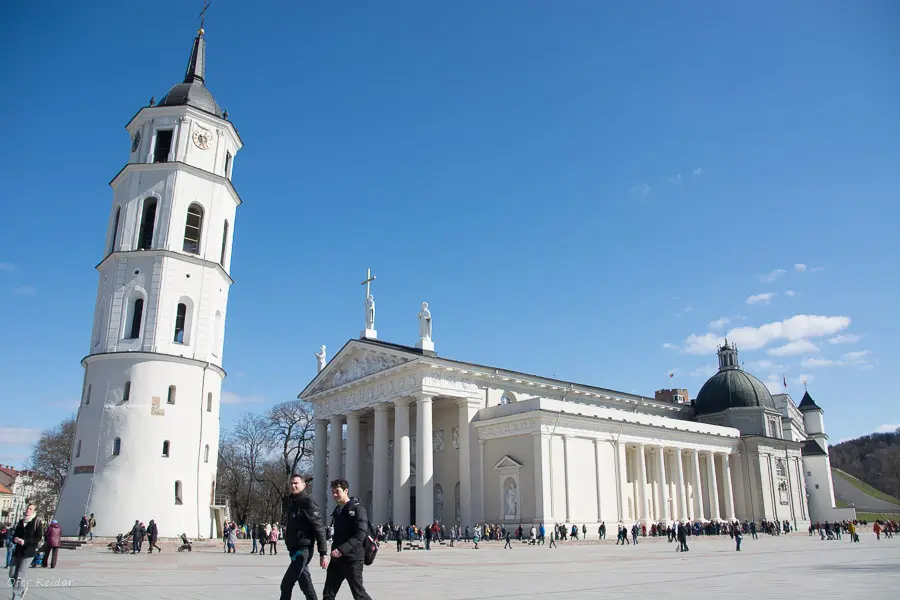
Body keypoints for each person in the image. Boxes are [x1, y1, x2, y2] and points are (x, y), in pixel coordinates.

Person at [280, 474, 328, 600]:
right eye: (291, 483)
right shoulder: (292, 501)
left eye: (296, 483)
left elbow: (319, 528)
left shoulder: (307, 503)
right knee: (306, 585)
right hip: (294, 549)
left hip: (303, 550)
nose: (293, 486)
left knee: (286, 585)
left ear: (303, 485)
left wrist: (323, 553)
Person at [322, 479, 372, 600]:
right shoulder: (338, 511)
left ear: (346, 491)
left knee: (359, 594)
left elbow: (361, 534)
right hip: (337, 559)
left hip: (353, 559)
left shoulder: (358, 509)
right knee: (328, 594)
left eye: (337, 491)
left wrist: (342, 550)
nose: (334, 495)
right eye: (333, 492)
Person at [9, 503, 42, 600]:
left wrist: (25, 542)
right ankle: (21, 588)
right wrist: (15, 539)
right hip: (18, 551)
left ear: (34, 511)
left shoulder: (37, 522)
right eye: (27, 508)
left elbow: (38, 538)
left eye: (30, 509)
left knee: (20, 574)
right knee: (12, 574)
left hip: (28, 552)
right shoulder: (20, 522)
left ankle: (17, 596)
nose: (28, 510)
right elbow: (15, 534)